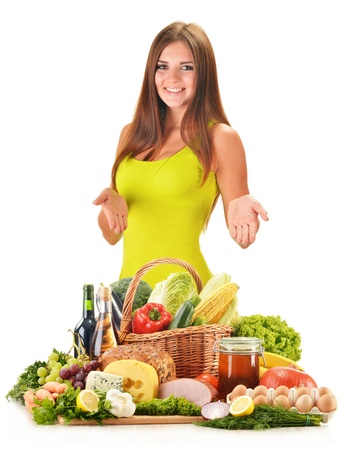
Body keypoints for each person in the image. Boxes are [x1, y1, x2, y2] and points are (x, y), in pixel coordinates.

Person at [93, 21, 269, 288]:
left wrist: (244, 219)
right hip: (130, 302)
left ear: (204, 74)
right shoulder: (130, 135)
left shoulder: (219, 138)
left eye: (186, 68)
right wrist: (112, 208)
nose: (172, 79)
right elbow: (111, 236)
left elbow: (241, 239)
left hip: (189, 305)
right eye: (162, 66)